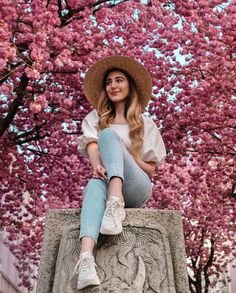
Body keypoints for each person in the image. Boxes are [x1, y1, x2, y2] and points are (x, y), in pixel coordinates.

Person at [74, 55, 166, 290]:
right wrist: (96, 166)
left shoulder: (145, 124)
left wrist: (127, 155)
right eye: (108, 82)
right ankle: (86, 260)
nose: (113, 86)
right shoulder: (96, 119)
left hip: (136, 188)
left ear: (129, 86)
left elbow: (151, 170)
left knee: (108, 136)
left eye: (119, 80)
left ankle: (116, 200)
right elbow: (92, 145)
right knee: (94, 185)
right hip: (105, 184)